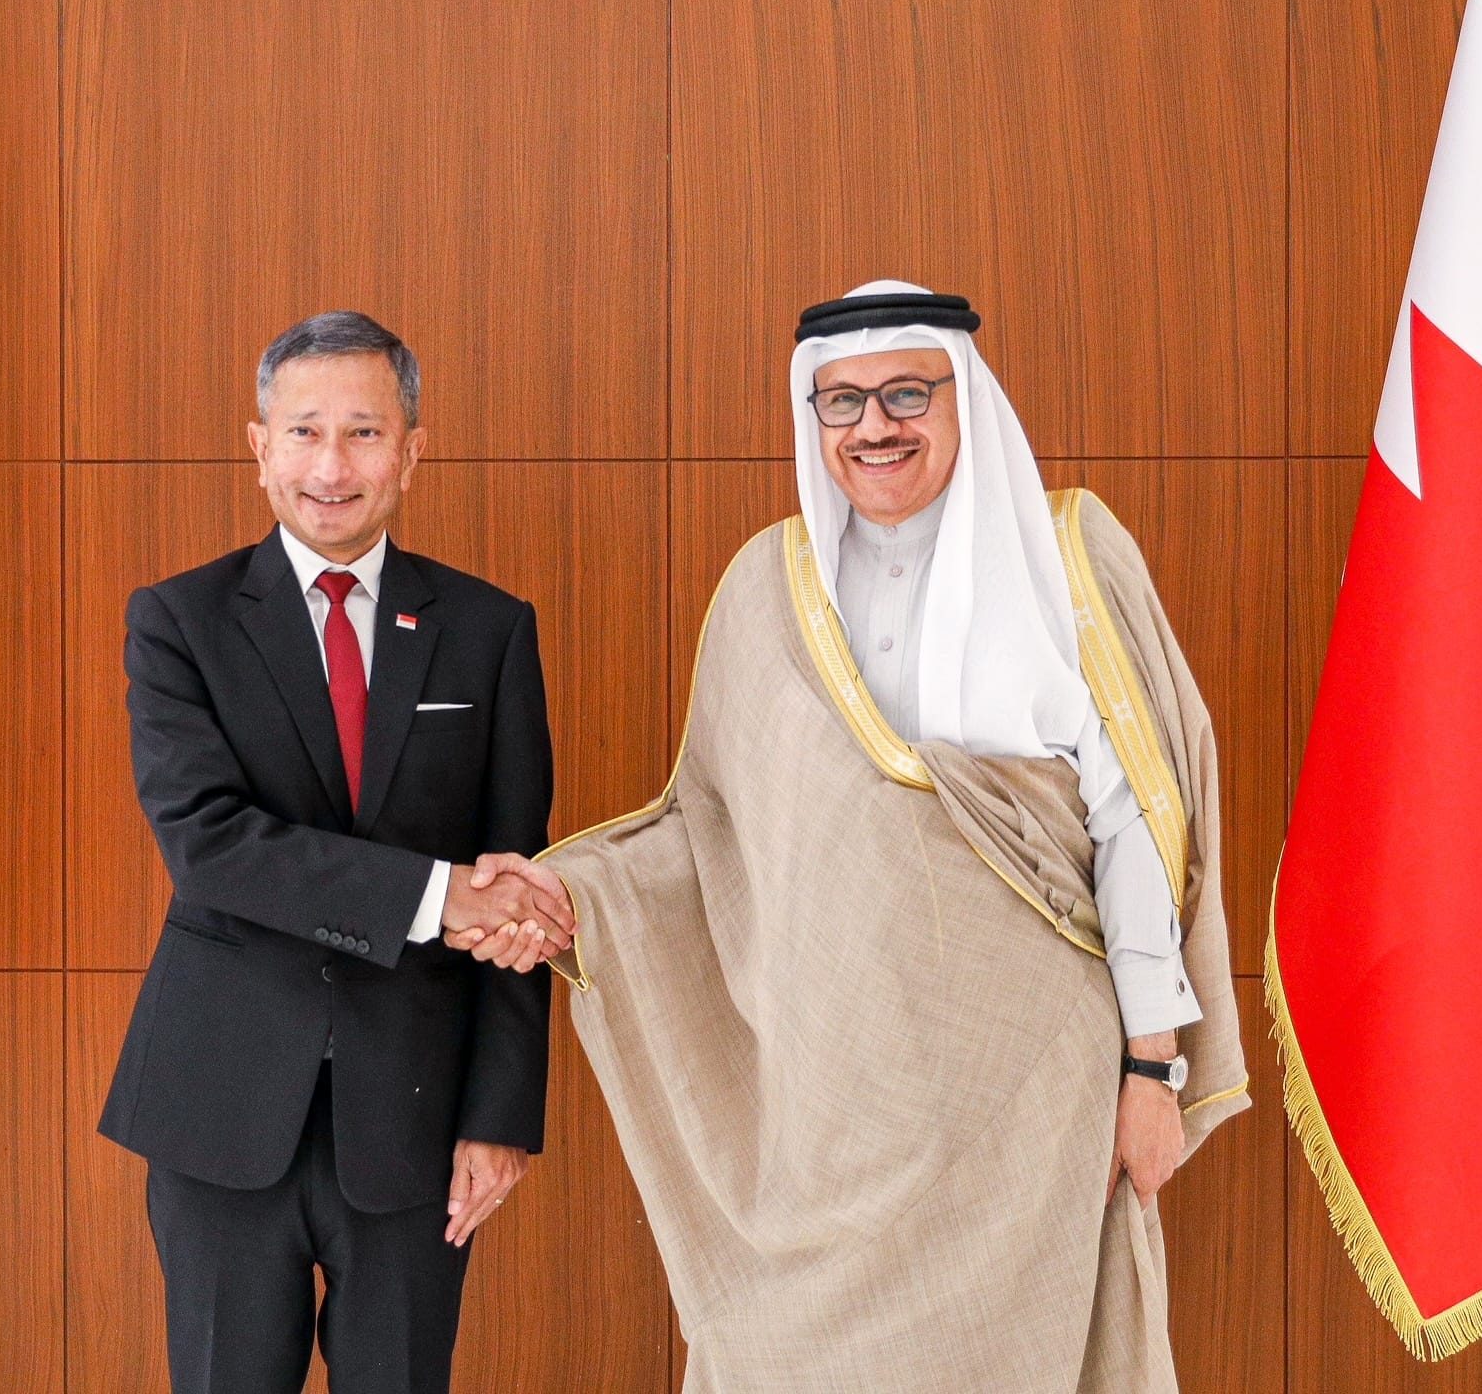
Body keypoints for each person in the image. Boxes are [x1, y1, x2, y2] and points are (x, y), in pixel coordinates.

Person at [463, 282, 1248, 1391]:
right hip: (831, 1115)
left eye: (905, 393)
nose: (875, 426)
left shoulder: (1067, 554)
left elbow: (1138, 833)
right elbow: (706, 839)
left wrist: (1152, 1069)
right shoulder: (765, 587)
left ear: (963, 397)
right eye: (842, 403)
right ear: (812, 418)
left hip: (1034, 1103)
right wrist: (562, 898)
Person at [99, 311, 575, 1394]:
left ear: (413, 448)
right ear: (258, 443)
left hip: (416, 1116)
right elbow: (211, 847)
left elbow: (519, 882)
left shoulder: (491, 629)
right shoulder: (179, 620)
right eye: (304, 430)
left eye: (364, 432)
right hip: (220, 1109)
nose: (331, 465)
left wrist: (501, 1117)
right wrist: (434, 895)